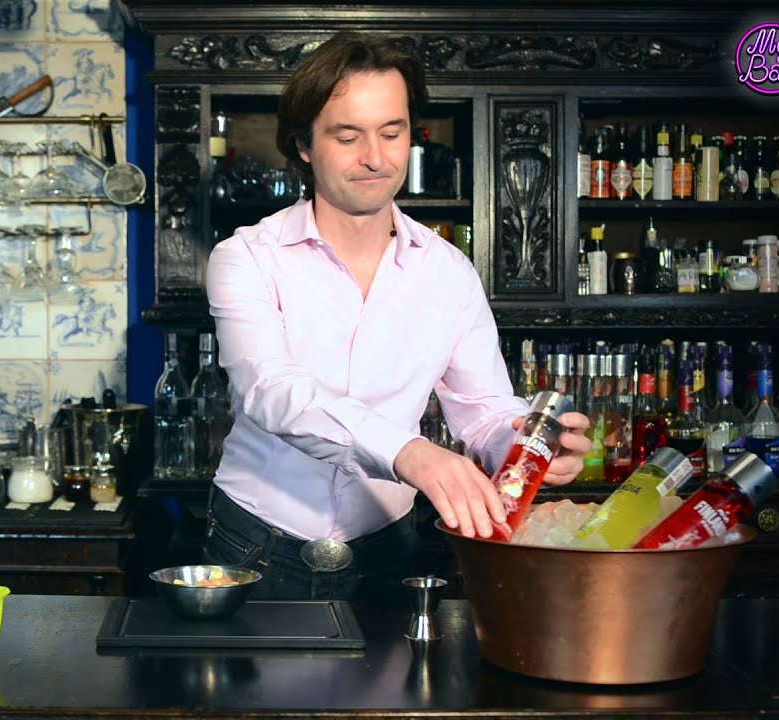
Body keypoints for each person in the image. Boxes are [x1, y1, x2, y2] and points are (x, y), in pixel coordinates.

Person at [203, 31, 590, 604]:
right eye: (347, 136)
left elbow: (483, 410)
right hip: (255, 546)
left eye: (392, 133)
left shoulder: (448, 270)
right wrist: (409, 453)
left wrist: (529, 449)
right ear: (304, 145)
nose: (375, 158)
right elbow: (271, 390)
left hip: (387, 552)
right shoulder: (246, 257)